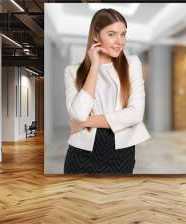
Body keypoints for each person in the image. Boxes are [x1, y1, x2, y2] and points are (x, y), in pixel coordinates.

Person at [63, 8, 150, 174]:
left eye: (123, 34)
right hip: (81, 155)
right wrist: (94, 66)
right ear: (96, 36)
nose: (120, 41)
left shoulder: (132, 64)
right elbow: (80, 114)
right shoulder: (72, 71)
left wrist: (86, 122)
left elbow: (136, 114)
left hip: (121, 153)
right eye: (112, 34)